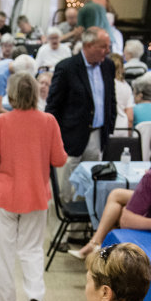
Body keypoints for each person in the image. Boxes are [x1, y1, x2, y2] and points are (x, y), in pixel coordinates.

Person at [0, 72, 67, 301]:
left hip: (4, 196)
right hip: (36, 195)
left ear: (12, 94)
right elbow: (59, 159)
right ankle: (36, 295)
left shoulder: (2, 121)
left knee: (4, 255)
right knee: (32, 250)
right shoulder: (49, 121)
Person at [70, 115, 151, 261]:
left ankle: (95, 243)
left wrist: (150, 176)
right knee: (118, 207)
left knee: (116, 195)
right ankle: (98, 246)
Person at [46, 27, 116, 201]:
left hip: (97, 135)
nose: (107, 51)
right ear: (88, 45)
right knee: (65, 190)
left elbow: (110, 98)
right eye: (103, 46)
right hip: (70, 137)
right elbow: (53, 106)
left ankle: (82, 225)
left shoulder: (108, 66)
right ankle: (62, 225)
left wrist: (110, 123)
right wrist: (53, 137)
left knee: (89, 189)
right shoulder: (67, 68)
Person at [111, 53, 134, 132]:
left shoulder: (102, 84)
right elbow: (130, 117)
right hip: (122, 128)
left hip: (107, 129)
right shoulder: (126, 87)